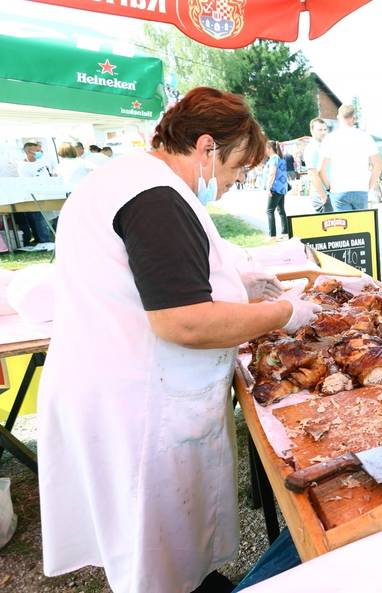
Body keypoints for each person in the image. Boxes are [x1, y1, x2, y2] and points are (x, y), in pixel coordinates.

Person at [37, 87, 321, 593]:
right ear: (207, 146)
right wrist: (283, 313)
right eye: (235, 168)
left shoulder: (126, 177)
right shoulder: (156, 198)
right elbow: (182, 322)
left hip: (111, 380)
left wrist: (240, 285)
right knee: (154, 543)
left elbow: (158, 276)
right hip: (139, 400)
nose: (232, 185)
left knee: (158, 542)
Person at [318, 104, 382, 211]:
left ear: (338, 117)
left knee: (343, 226)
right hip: (360, 188)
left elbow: (320, 169)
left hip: (339, 190)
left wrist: (329, 187)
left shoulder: (330, 138)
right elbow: (378, 166)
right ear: (354, 118)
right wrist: (368, 186)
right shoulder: (365, 137)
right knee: (361, 226)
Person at [14, 141, 54, 246]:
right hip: (35, 196)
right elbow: (28, 182)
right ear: (29, 152)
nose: (40, 152)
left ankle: (48, 238)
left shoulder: (41, 161)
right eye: (37, 151)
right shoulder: (23, 166)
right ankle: (45, 241)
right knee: (39, 220)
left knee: (50, 218)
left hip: (48, 194)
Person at [303, 117, 333, 213]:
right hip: (321, 195)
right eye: (320, 130)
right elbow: (313, 174)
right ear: (312, 131)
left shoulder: (325, 147)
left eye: (325, 129)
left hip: (330, 193)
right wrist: (323, 197)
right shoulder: (312, 149)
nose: (323, 132)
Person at [263, 140, 289, 237]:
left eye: (265, 148)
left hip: (275, 188)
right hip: (282, 189)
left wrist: (268, 188)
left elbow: (272, 174)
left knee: (269, 211)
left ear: (269, 149)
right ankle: (285, 232)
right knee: (281, 210)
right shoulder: (280, 158)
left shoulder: (274, 158)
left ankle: (272, 235)